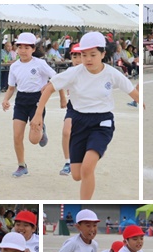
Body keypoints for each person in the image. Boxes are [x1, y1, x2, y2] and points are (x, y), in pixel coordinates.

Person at [30, 31, 138, 200]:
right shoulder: (75, 72)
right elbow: (50, 87)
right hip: (79, 121)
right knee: (77, 175)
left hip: (102, 122)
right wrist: (38, 115)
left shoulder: (112, 73)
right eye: (84, 55)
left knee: (87, 169)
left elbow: (132, 92)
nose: (88, 59)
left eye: (93, 55)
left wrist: (143, 102)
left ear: (103, 54)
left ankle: (85, 206)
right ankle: (91, 154)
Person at [1, 32, 66, 178]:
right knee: (17, 136)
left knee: (34, 140)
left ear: (33, 49)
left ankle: (41, 129)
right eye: (20, 47)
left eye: (27, 47)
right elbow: (11, 88)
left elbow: (57, 79)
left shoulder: (39, 64)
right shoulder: (14, 66)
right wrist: (5, 100)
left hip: (37, 101)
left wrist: (62, 98)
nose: (23, 50)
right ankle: (21, 165)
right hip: (21, 101)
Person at [59, 43, 82, 176]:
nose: (77, 60)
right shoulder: (69, 72)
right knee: (66, 132)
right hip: (72, 107)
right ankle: (68, 162)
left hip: (88, 109)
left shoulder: (91, 71)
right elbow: (57, 82)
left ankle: (80, 160)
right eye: (74, 56)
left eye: (80, 56)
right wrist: (63, 98)